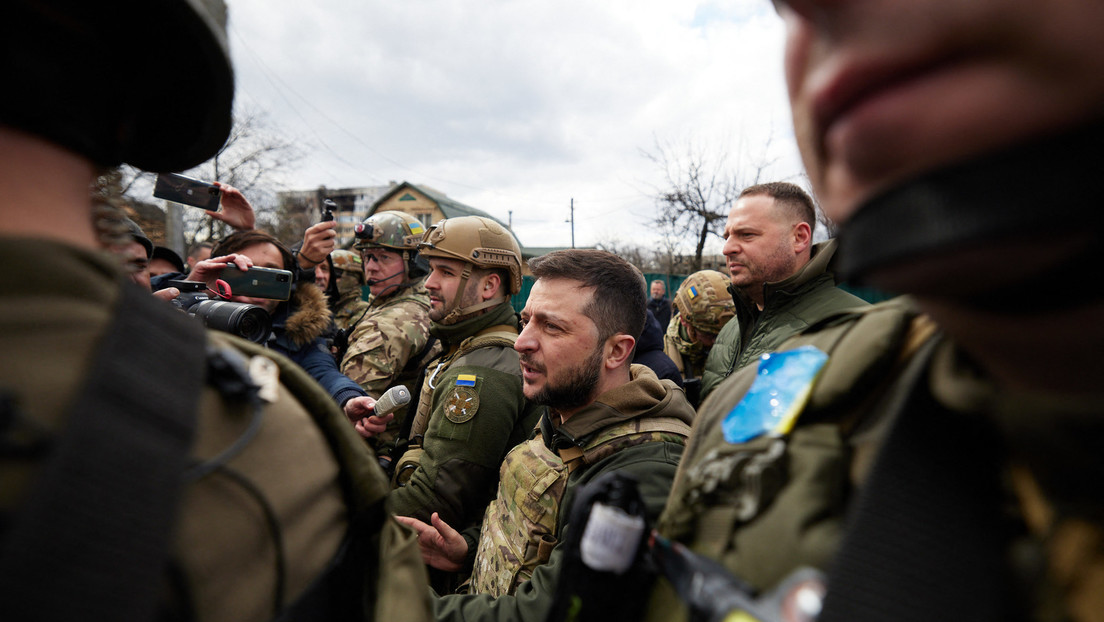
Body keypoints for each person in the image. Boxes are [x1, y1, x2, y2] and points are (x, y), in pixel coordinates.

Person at [649, 1, 1104, 621]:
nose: (805, 11)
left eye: (746, 236)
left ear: (801, 238)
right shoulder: (744, 380)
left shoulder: (837, 322)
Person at [0, 1, 429, 621]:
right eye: (241, 272)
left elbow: (322, 365)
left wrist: (344, 398)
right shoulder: (191, 329)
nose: (256, 287)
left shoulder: (291, 372)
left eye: (270, 276)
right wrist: (177, 298)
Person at [397, 249, 694, 621]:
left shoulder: (642, 471)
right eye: (526, 321)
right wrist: (469, 551)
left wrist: (395, 603)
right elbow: (545, 542)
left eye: (551, 327)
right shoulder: (566, 414)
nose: (522, 342)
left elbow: (544, 614)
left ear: (616, 351)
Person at [699, 181, 867, 400]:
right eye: (727, 236)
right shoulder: (731, 330)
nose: (727, 248)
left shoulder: (854, 328)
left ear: (799, 238)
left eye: (746, 234)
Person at [189, 229, 368, 409]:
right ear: (220, 274)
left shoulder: (298, 332)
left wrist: (349, 398)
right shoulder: (191, 319)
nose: (257, 283)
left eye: (270, 274)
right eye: (245, 272)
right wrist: (189, 293)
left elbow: (324, 373)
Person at [341, 211, 438, 459]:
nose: (370, 267)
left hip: (374, 453)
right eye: (367, 256)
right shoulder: (418, 302)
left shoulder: (390, 324)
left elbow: (339, 409)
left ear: (415, 264)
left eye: (383, 257)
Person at [662, 269, 735, 404]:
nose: (717, 341)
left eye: (725, 332)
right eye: (709, 334)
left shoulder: (739, 346)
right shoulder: (663, 360)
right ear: (684, 321)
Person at [330, 248, 370, 331]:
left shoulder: (362, 312)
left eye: (336, 274)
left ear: (353, 278)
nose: (329, 278)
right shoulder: (324, 307)